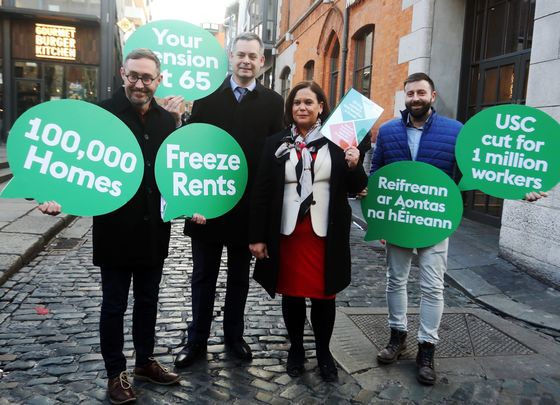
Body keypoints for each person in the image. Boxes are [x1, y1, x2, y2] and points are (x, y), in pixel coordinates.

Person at [39, 48, 205, 404]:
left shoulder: (167, 120)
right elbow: (68, 159)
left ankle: (144, 361)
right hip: (114, 229)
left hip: (153, 231)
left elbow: (174, 172)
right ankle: (116, 373)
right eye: (134, 76)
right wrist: (50, 196)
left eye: (147, 78)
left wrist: (191, 203)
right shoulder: (101, 114)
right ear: (122, 74)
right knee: (114, 305)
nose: (140, 84)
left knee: (148, 301)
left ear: (159, 80)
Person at [174, 32, 284, 368]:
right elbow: (189, 149)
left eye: (253, 56)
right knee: (203, 276)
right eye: (241, 55)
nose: (246, 61)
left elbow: (273, 157)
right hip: (206, 205)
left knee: (239, 278)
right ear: (230, 57)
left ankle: (234, 337)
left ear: (261, 62)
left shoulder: (273, 102)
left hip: (247, 207)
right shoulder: (205, 97)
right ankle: (196, 342)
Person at [248, 81, 368, 381]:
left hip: (325, 235)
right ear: (291, 108)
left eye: (308, 102)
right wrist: (257, 236)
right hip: (288, 234)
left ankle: (324, 352)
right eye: (297, 102)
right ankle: (297, 349)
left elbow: (357, 188)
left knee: (324, 297)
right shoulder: (275, 142)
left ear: (320, 107)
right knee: (292, 295)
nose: (302, 107)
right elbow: (261, 192)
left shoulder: (338, 142)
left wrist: (355, 164)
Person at [369, 72, 462, 386]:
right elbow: (377, 170)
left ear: (432, 96)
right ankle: (397, 337)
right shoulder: (389, 131)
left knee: (432, 286)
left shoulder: (455, 130)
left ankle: (427, 349)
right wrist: (379, 217)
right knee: (395, 280)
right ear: (404, 97)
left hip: (434, 222)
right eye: (410, 94)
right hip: (397, 220)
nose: (415, 98)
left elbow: (470, 172)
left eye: (421, 93)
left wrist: (521, 191)